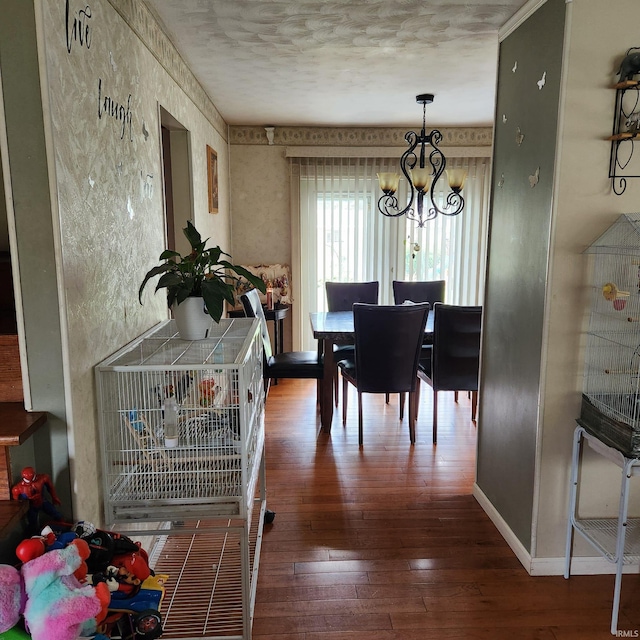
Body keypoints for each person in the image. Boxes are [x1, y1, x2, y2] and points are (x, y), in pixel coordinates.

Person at [11, 466, 62, 533]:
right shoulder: (18, 488)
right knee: (33, 524)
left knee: (56, 514)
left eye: (33, 479)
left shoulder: (43, 478)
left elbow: (50, 487)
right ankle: (33, 536)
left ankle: (64, 527)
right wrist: (20, 513)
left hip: (42, 502)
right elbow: (16, 503)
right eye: (28, 480)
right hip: (31, 506)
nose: (31, 482)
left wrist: (54, 497)